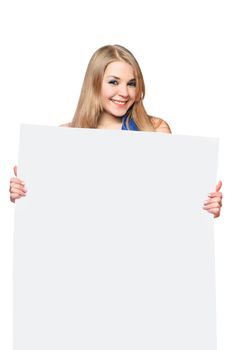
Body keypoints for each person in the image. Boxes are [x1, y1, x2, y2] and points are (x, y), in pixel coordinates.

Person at [9, 44, 223, 217]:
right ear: (94, 84)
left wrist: (205, 206)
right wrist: (26, 193)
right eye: (113, 82)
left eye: (131, 83)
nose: (124, 92)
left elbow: (172, 202)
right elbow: (54, 210)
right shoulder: (65, 136)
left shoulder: (155, 130)